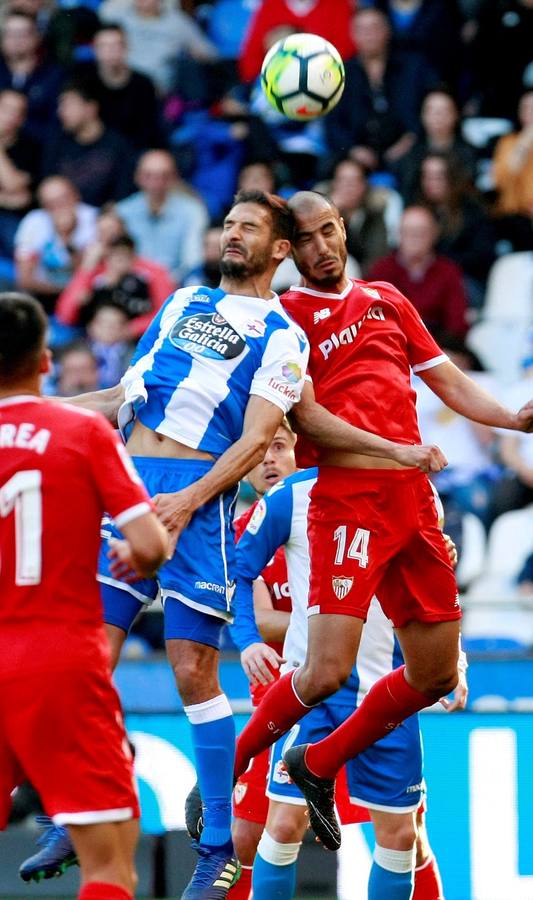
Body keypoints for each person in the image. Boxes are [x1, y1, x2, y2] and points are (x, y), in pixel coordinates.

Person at [216, 190, 533, 855]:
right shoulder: (285, 319)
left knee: (435, 676)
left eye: (328, 231)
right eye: (306, 239)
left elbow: (445, 378)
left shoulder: (387, 298)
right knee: (325, 672)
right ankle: (229, 767)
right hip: (347, 502)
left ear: (343, 229)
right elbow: (306, 417)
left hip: (411, 500)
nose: (322, 247)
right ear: (288, 251)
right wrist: (395, 450)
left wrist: (511, 418)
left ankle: (317, 762)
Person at [21, 189, 312, 897]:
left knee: (191, 671)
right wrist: (35, 410)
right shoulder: (182, 302)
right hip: (128, 489)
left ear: (279, 249)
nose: (232, 233)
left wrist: (188, 500)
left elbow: (256, 440)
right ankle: (75, 810)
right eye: (228, 223)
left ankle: (217, 846)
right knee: (85, 660)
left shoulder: (283, 334)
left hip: (197, 501)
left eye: (248, 227)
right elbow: (123, 396)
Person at [0, 291, 168, 897]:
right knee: (109, 865)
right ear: (46, 361)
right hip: (60, 656)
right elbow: (150, 544)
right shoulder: (82, 431)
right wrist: (137, 554)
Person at [230, 467, 463, 899]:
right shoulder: (291, 497)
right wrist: (246, 641)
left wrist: (455, 659)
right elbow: (239, 572)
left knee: (403, 836)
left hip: (387, 693)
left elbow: (434, 590)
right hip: (312, 691)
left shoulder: (417, 490)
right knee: (282, 825)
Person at [367, 205, 468, 339]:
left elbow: (457, 324)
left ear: (434, 234)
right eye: (408, 232)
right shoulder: (381, 271)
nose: (415, 238)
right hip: (392, 342)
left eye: (421, 232)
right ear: (399, 234)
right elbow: (371, 319)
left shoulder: (448, 272)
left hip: (438, 343)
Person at [115, 149, 209, 284]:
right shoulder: (122, 211)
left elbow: (192, 261)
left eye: (164, 176)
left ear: (174, 178)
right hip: (132, 285)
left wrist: (164, 283)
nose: (156, 183)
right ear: (137, 177)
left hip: (176, 285)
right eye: (148, 176)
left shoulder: (192, 211)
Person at [41, 81, 136, 207]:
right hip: (63, 213)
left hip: (105, 215)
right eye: (61, 105)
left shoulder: (118, 146)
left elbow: (124, 194)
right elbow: (47, 186)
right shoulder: (56, 144)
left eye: (68, 105)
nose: (61, 111)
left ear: (91, 108)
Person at [14, 175, 97, 313]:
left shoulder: (94, 219)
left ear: (76, 196)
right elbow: (25, 279)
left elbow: (88, 272)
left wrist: (67, 237)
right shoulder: (33, 222)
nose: (59, 207)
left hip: (84, 296)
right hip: (42, 293)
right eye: (51, 203)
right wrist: (65, 290)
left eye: (63, 199)